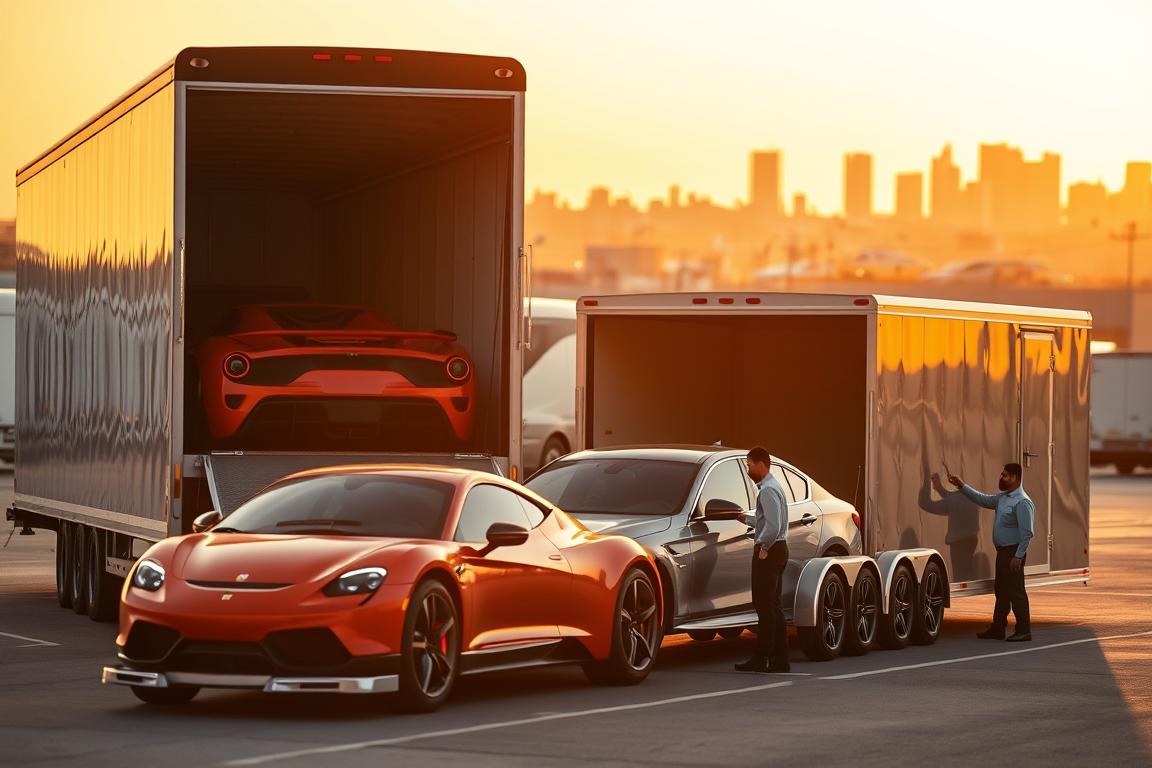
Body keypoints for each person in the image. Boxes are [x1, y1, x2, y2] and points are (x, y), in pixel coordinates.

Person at [945, 463, 1035, 642]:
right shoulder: (1002, 498)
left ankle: (1024, 630)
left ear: (1015, 477)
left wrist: (1018, 556)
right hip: (1003, 552)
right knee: (1001, 591)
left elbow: (1027, 533)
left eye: (1005, 475)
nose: (1001, 478)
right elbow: (982, 499)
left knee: (1016, 591)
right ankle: (998, 628)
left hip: (1013, 552)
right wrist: (962, 486)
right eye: (1002, 474)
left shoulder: (1023, 502)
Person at [735, 446, 791, 672]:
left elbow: (773, 526)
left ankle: (762, 657)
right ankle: (781, 659)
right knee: (773, 606)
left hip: (770, 550)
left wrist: (764, 547)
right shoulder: (775, 486)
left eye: (749, 465)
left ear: (761, 464)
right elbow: (767, 520)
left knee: (764, 606)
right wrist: (747, 519)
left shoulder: (767, 490)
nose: (748, 470)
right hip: (780, 549)